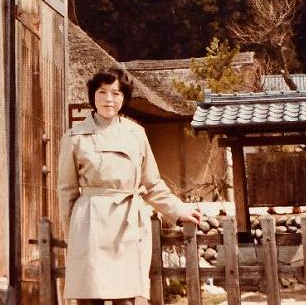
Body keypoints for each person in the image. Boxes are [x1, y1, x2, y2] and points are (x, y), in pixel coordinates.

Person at [57, 68, 202, 304]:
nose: (109, 99)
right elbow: (67, 192)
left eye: (116, 93)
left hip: (126, 226)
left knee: (125, 298)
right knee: (89, 297)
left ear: (124, 98)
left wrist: (179, 210)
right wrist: (72, 234)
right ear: (92, 96)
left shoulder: (136, 134)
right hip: (89, 226)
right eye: (102, 92)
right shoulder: (75, 137)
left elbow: (152, 184)